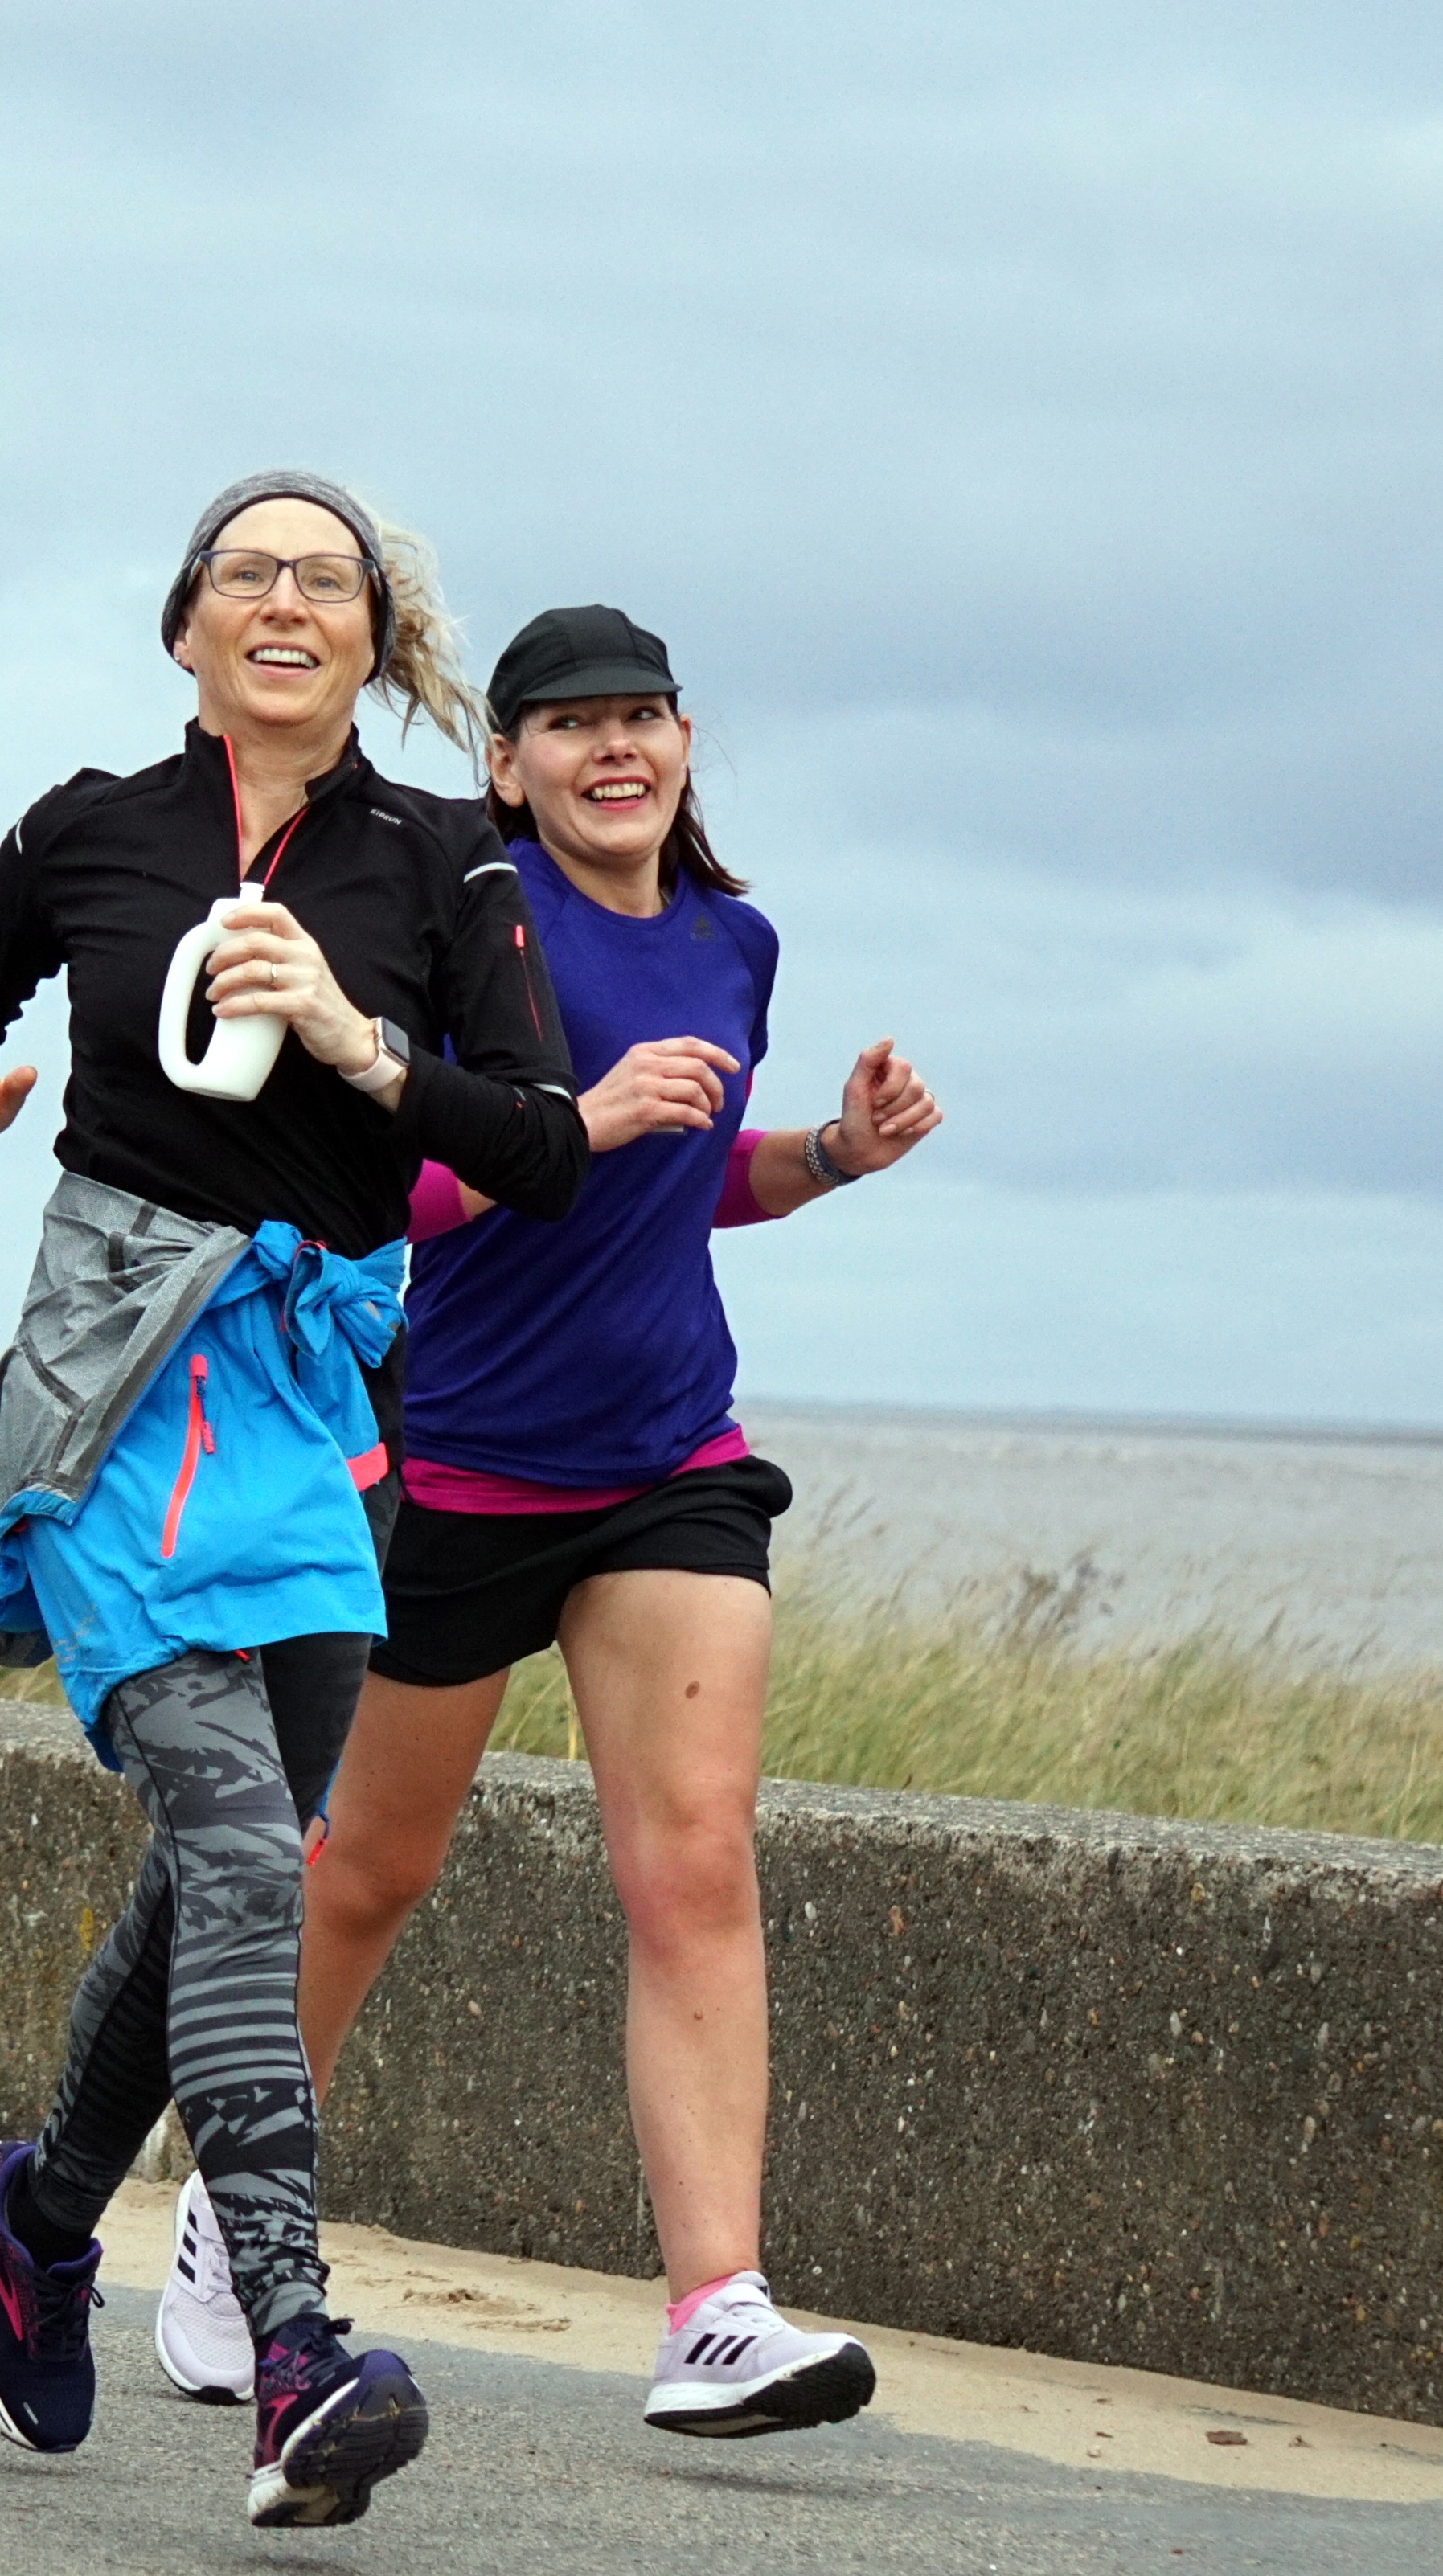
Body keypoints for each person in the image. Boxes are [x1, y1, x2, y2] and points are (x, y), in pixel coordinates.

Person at [0, 472, 587, 2528]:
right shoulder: (93, 823)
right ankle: (293, 2335)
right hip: (113, 1376)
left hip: (314, 1403)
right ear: (185, 623)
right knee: (241, 1841)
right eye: (246, 573)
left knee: (228, 1864)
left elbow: (539, 1145)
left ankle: (38, 2207)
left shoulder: (449, 860)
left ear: (377, 638)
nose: (285, 601)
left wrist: (367, 1050)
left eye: (329, 579)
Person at [178, 603, 939, 2437]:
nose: (619, 750)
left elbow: (690, 1185)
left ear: (685, 743)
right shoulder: (466, 919)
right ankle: (230, 2218)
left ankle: (717, 2306)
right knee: (369, 1868)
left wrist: (826, 1155)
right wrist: (571, 1124)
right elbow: (390, 1177)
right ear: (506, 761)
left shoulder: (735, 941)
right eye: (571, 725)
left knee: (693, 1859)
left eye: (646, 718)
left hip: (671, 1450)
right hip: (461, 1458)